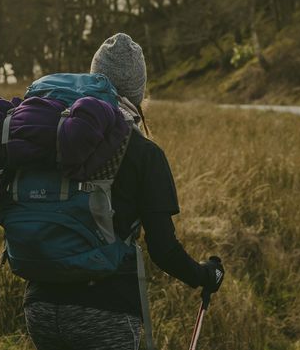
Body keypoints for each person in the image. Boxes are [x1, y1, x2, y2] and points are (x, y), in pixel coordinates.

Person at [22, 32, 225, 350]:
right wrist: (204, 275)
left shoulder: (54, 137)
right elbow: (163, 249)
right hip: (106, 312)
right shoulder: (143, 153)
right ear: (138, 90)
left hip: (41, 308)